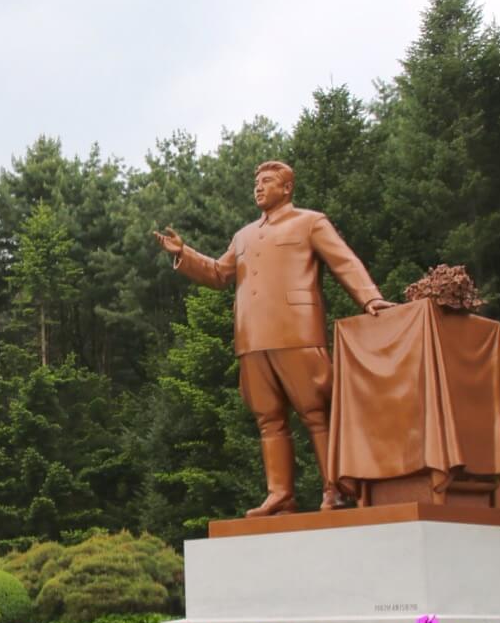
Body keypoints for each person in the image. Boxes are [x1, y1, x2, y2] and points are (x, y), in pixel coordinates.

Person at [155, 158, 393, 515]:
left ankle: (337, 488)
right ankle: (280, 494)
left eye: (268, 181)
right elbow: (220, 274)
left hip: (296, 330)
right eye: (257, 182)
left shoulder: (310, 222)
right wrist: (184, 255)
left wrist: (370, 298)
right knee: (268, 418)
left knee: (316, 412)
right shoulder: (244, 236)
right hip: (251, 338)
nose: (259, 187)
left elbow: (344, 261)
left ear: (286, 188)